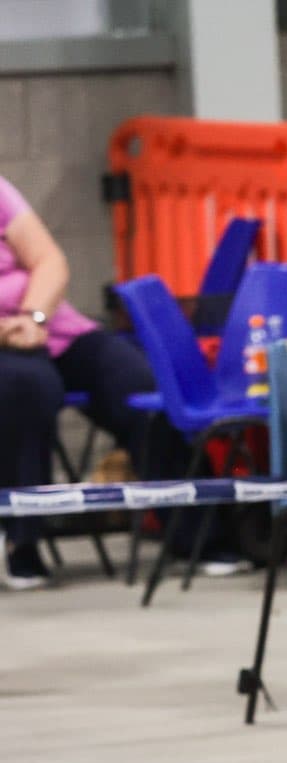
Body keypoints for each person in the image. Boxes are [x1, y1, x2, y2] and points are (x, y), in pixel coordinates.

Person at [0, 175, 179, 589]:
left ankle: (196, 535)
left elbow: (49, 260)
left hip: (47, 326)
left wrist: (32, 317)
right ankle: (23, 543)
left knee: (141, 382)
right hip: (9, 351)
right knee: (28, 390)